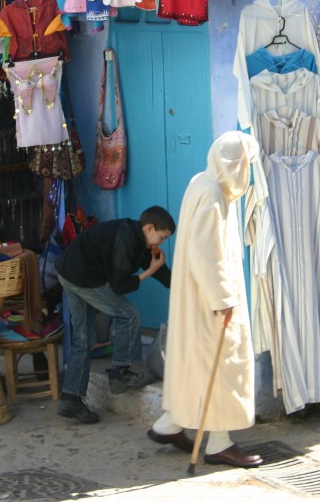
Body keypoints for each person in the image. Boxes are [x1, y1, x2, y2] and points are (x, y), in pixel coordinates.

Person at [148, 131, 264, 468]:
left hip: (195, 298)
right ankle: (219, 443)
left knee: (194, 365)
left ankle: (169, 424)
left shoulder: (202, 182)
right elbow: (205, 252)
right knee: (225, 366)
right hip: (209, 300)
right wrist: (223, 298)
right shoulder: (214, 193)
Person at [56, 205, 175, 424]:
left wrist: (179, 285)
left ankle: (71, 398)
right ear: (149, 228)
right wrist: (150, 271)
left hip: (69, 272)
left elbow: (155, 268)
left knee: (84, 338)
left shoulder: (137, 238)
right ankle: (120, 373)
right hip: (82, 277)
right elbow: (120, 286)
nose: (161, 242)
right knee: (128, 314)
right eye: (162, 237)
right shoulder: (126, 240)